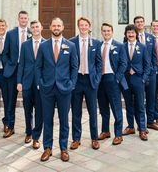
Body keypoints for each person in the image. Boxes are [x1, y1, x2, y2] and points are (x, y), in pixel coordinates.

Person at [35, 17, 78, 162]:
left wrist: (72, 84)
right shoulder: (43, 46)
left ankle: (63, 148)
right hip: (47, 88)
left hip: (64, 89)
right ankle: (47, 148)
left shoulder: (70, 46)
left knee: (64, 120)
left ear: (63, 27)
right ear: (50, 27)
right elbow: (38, 66)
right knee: (47, 119)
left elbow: (74, 67)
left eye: (59, 25)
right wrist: (40, 82)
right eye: (54, 25)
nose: (56, 27)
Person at [69, 17, 102, 150]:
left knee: (92, 111)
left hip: (90, 81)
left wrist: (97, 78)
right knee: (76, 111)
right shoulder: (71, 42)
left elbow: (99, 63)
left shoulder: (96, 43)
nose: (83, 27)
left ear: (89, 27)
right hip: (76, 80)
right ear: (78, 27)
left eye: (85, 25)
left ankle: (94, 138)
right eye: (81, 25)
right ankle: (76, 139)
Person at [97, 23, 128, 145]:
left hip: (112, 79)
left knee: (116, 107)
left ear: (112, 32)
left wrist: (117, 78)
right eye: (104, 31)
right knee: (103, 107)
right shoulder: (98, 46)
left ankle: (118, 134)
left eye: (108, 31)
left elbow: (123, 64)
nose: (106, 33)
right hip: (100, 80)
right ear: (101, 32)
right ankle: (105, 131)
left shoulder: (119, 46)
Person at [4, 10, 32, 139]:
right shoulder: (10, 34)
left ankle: (29, 131)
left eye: (25, 18)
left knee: (29, 103)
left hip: (27, 73)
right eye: (21, 18)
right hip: (13, 72)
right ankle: (10, 127)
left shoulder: (32, 33)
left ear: (28, 19)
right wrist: (9, 65)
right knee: (10, 101)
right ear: (18, 19)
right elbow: (5, 53)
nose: (24, 20)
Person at [17, 20, 45, 148]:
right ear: (31, 29)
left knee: (40, 110)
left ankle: (36, 136)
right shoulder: (25, 45)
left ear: (41, 28)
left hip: (41, 84)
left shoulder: (47, 44)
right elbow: (21, 65)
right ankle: (28, 132)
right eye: (33, 27)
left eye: (37, 27)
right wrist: (19, 81)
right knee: (27, 109)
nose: (35, 29)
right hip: (27, 82)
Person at [134, 16, 158, 131]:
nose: (139, 24)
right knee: (138, 99)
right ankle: (140, 123)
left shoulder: (151, 38)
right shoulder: (130, 36)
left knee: (151, 97)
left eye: (141, 22)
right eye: (137, 22)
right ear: (134, 24)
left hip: (151, 73)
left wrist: (154, 69)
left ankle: (150, 121)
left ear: (144, 24)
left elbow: (155, 55)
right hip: (137, 74)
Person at [122, 24, 150, 141]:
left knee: (140, 105)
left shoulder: (142, 47)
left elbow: (147, 65)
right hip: (126, 79)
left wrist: (143, 79)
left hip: (138, 80)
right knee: (128, 104)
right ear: (126, 34)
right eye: (129, 32)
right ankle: (130, 126)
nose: (131, 34)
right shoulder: (121, 47)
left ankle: (142, 129)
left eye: (133, 32)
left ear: (136, 34)